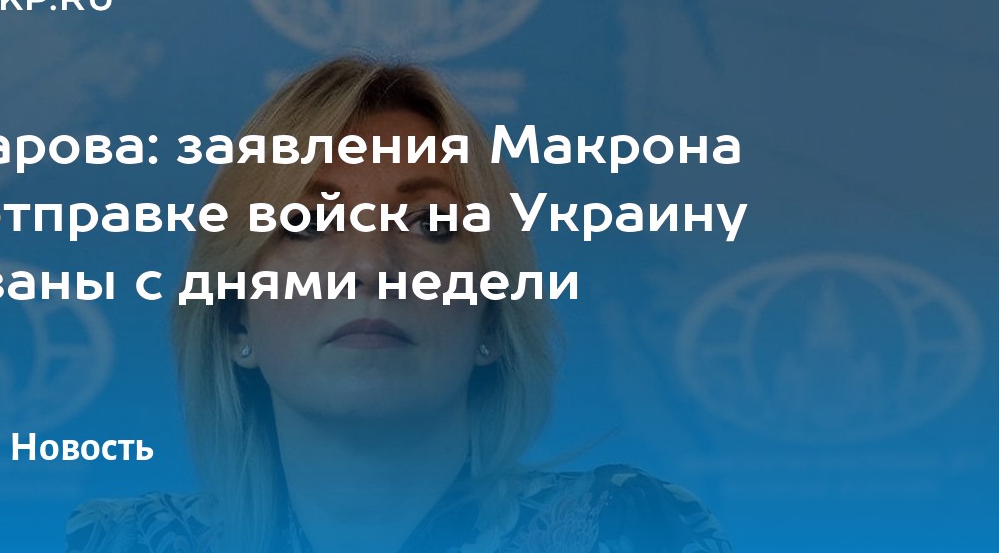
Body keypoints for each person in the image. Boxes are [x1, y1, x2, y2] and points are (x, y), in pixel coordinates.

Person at [66, 57, 732, 553]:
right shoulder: (118, 543)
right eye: (306, 224)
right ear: (236, 318)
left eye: (431, 225)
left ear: (491, 318)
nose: (369, 267)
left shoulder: (627, 531)